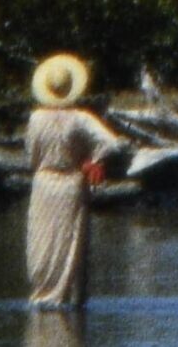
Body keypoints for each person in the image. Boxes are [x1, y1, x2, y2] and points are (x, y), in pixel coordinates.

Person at [18, 55, 123, 317]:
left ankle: (43, 293)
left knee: (42, 242)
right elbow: (112, 143)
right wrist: (93, 160)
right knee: (69, 242)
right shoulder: (80, 118)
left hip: (43, 184)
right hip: (70, 183)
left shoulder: (35, 118)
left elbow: (31, 157)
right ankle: (65, 296)